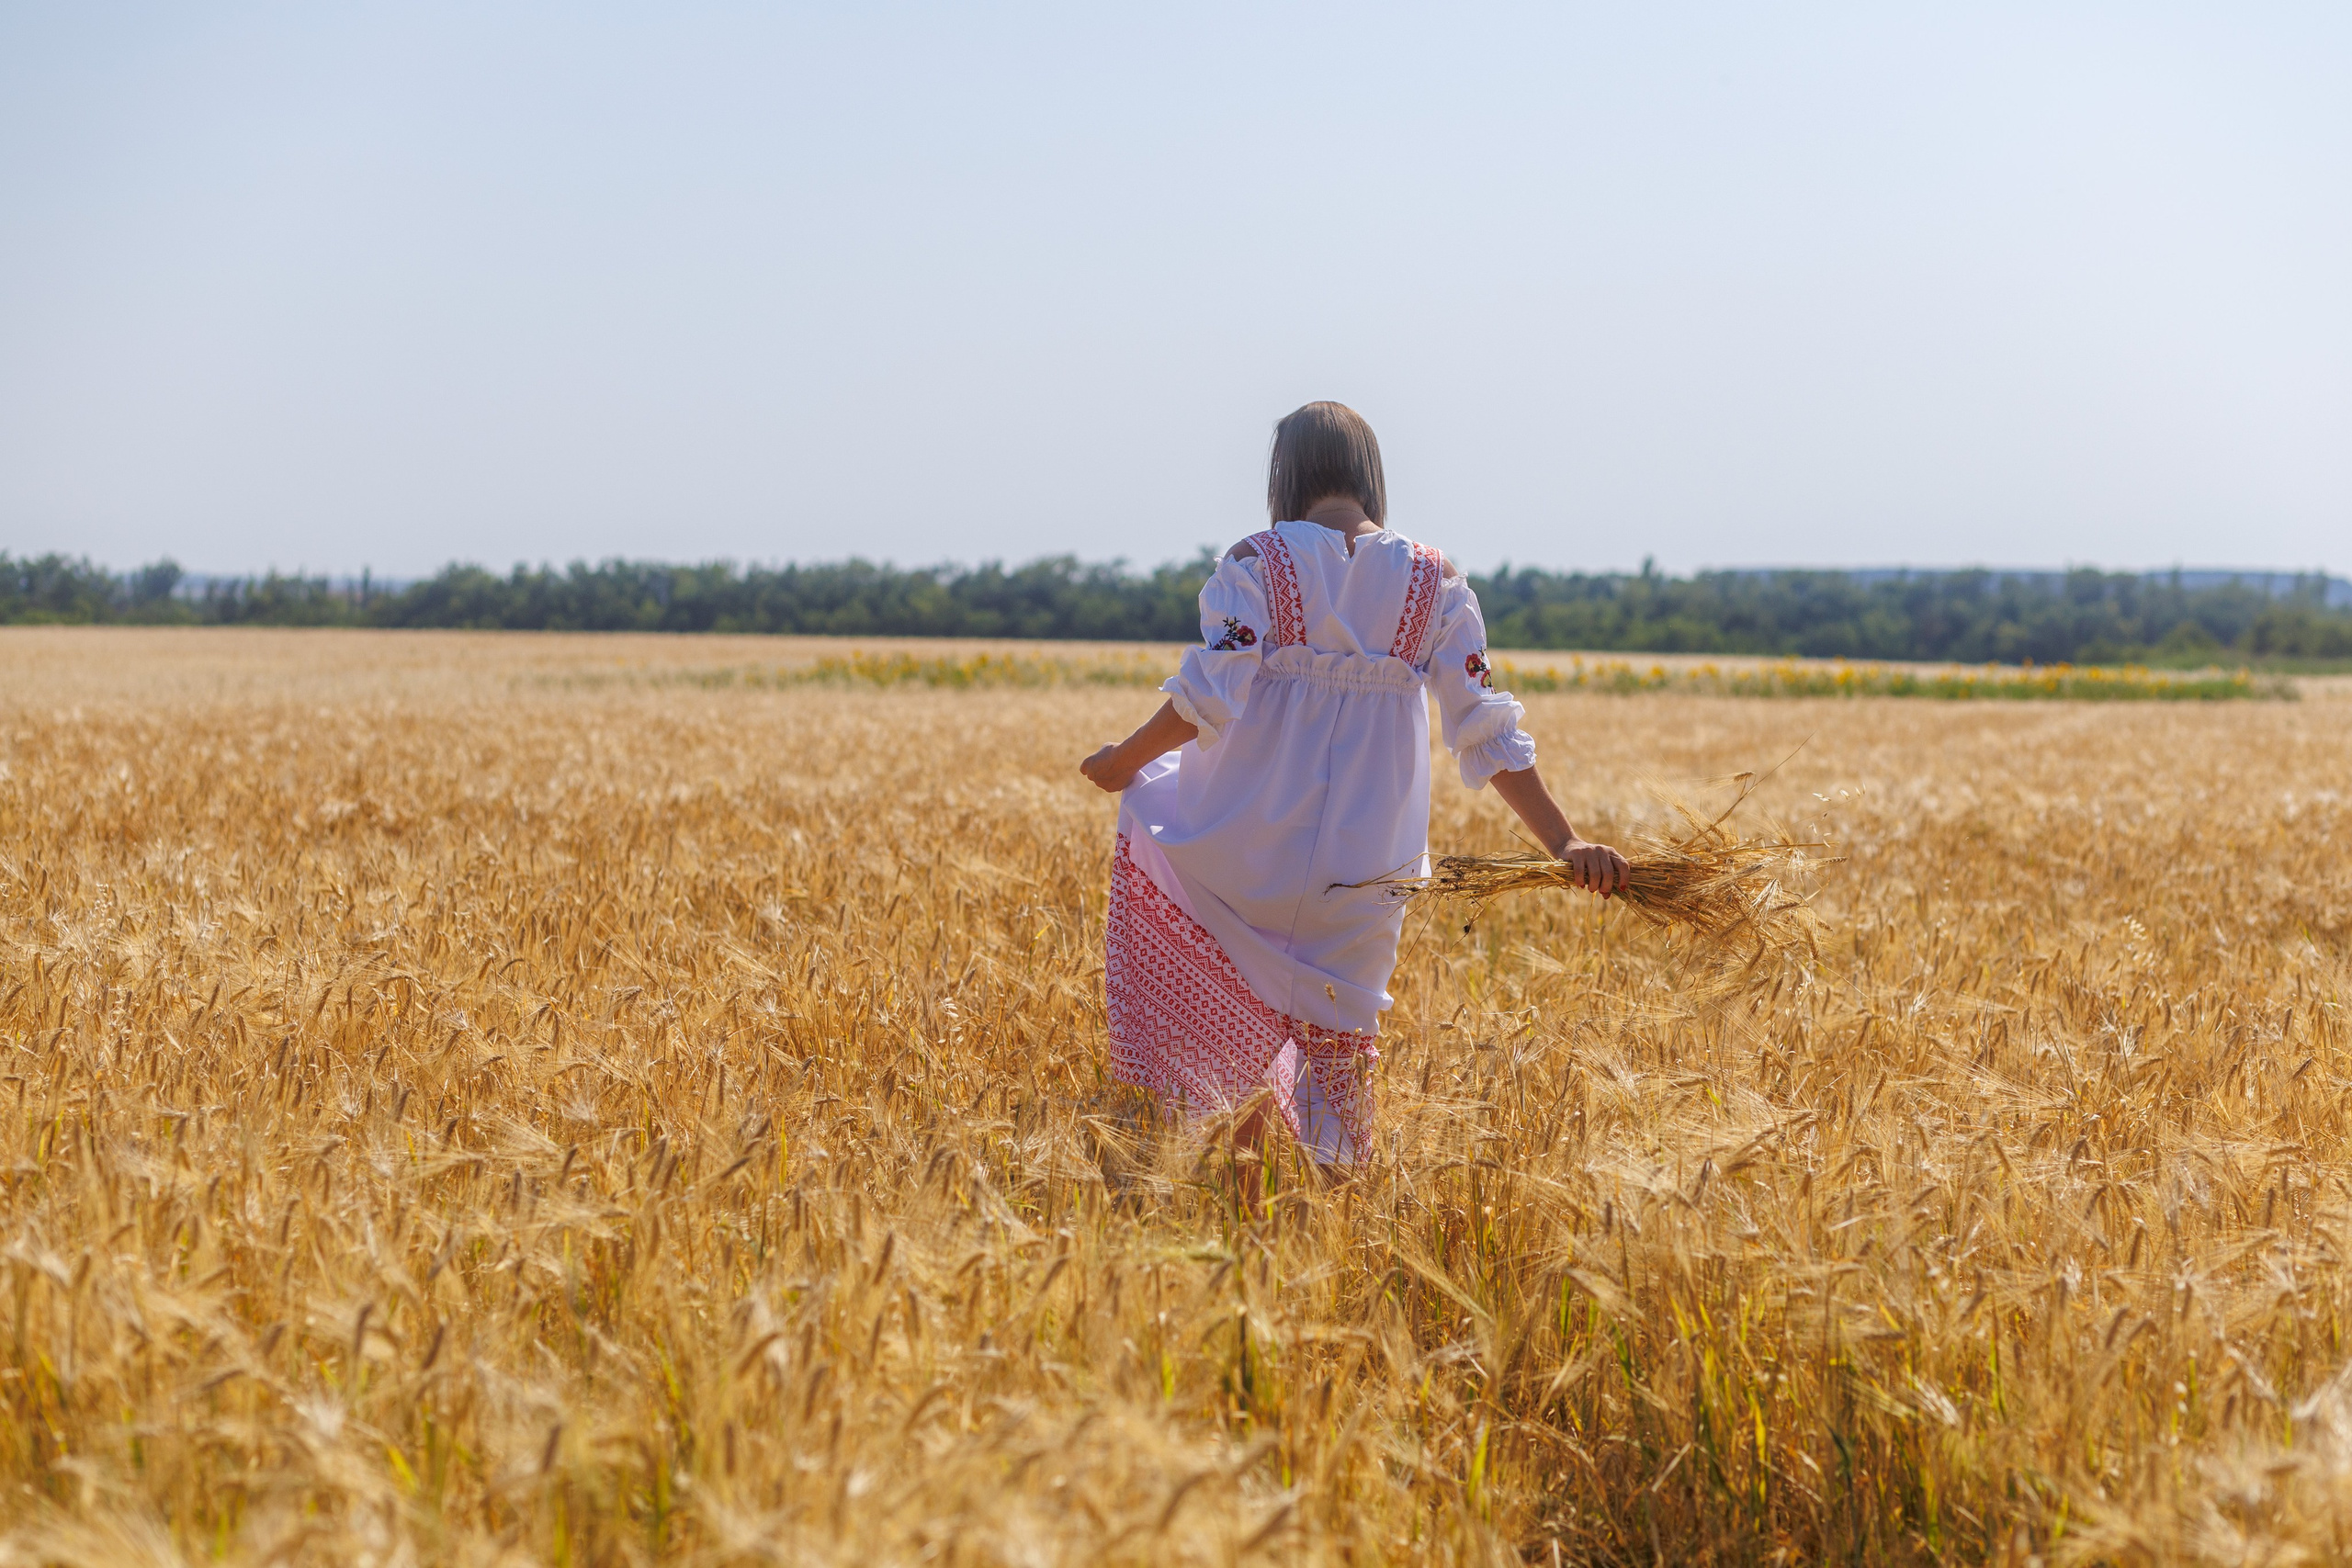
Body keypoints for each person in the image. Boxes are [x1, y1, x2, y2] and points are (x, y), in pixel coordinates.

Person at [1080, 401, 1627, 1170]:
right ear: (1370, 475)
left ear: (1285, 475)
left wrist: (1121, 764)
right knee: (1340, 1075)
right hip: (1368, 874)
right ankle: (1336, 1227)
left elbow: (1208, 693)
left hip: (1248, 851)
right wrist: (1564, 839)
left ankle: (1244, 1204)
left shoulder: (1257, 562)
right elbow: (1487, 729)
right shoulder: (1437, 583)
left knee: (1219, 1001)